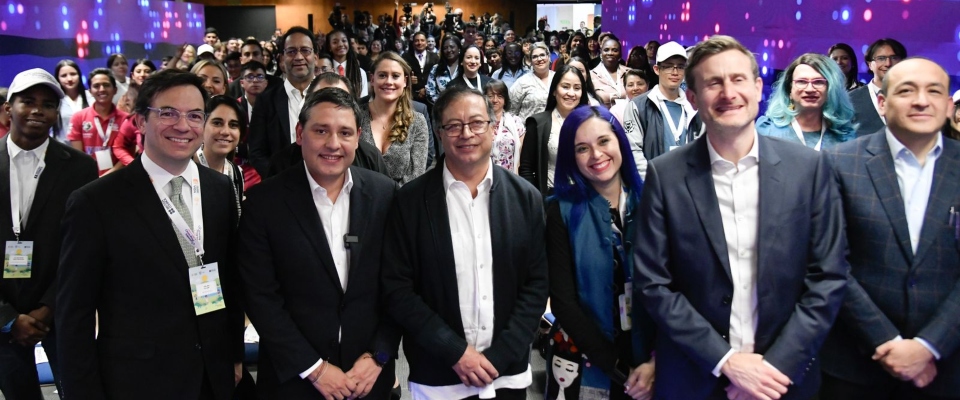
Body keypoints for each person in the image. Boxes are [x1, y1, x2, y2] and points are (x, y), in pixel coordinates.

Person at [634, 35, 848, 400]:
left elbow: (827, 277)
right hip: (694, 377)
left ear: (759, 87)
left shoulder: (808, 169)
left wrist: (775, 367)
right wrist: (727, 362)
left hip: (784, 380)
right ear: (692, 98)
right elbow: (654, 283)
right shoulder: (665, 174)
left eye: (737, 79)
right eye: (713, 83)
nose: (727, 92)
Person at [57, 69, 245, 400]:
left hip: (213, 374)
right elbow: (75, 315)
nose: (183, 126)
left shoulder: (219, 189)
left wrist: (233, 354)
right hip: (139, 380)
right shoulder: (96, 202)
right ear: (141, 122)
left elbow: (228, 279)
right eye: (168, 113)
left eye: (195, 115)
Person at [381, 85, 548, 400]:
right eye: (453, 126)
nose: (466, 133)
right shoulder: (410, 202)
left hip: (506, 375)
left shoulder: (525, 198)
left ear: (493, 127)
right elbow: (397, 288)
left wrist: (499, 356)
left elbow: (536, 284)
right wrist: (455, 351)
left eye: (476, 123)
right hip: (439, 375)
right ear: (439, 132)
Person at [239, 87, 399, 399]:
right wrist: (314, 368)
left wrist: (379, 354)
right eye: (321, 131)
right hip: (295, 381)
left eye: (345, 133)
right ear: (300, 133)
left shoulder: (386, 195)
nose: (333, 144)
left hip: (367, 377)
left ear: (358, 137)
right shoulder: (264, 203)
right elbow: (260, 296)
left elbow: (399, 284)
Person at [820, 58, 960, 400]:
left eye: (934, 91)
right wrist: (887, 342)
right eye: (907, 90)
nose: (921, 100)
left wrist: (929, 346)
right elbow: (827, 262)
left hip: (946, 365)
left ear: (947, 104)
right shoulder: (838, 163)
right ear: (881, 102)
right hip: (855, 364)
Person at [0, 68, 97, 400]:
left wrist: (49, 306)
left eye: (48, 104)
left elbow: (83, 247)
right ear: (7, 109)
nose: (38, 111)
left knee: (80, 391)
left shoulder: (80, 167)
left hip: (63, 308)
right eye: (28, 101)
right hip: (3, 314)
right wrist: (9, 316)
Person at [546, 105, 655, 400]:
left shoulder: (653, 200)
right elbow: (563, 302)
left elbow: (678, 286)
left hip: (652, 359)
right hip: (586, 356)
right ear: (571, 157)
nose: (596, 155)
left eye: (604, 141)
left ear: (619, 140)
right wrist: (617, 367)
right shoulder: (559, 211)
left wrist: (654, 362)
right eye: (582, 148)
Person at [267, 72, 388, 178]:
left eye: (341, 100)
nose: (331, 109)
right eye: (322, 99)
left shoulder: (371, 158)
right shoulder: (281, 163)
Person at [621, 41, 703, 177]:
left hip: (688, 185)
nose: (675, 72)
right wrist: (652, 183)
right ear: (656, 69)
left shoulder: (695, 106)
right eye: (668, 67)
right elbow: (633, 150)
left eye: (680, 67)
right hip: (654, 185)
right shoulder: (639, 106)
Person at [248, 26, 318, 176]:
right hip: (280, 186)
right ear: (281, 59)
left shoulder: (327, 96)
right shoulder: (265, 101)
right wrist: (279, 180)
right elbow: (256, 152)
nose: (299, 57)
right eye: (291, 51)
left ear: (316, 57)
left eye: (305, 50)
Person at [757, 53, 856, 151]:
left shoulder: (845, 138)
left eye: (818, 82)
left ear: (831, 90)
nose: (810, 89)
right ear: (789, 90)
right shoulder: (766, 131)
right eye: (802, 82)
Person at [519, 65, 588, 195]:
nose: (571, 93)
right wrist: (536, 201)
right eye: (565, 87)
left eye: (577, 88)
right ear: (554, 90)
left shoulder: (590, 123)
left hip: (584, 198)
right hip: (551, 199)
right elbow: (526, 169)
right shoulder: (538, 123)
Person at [361, 53, 429, 184]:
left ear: (405, 81)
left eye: (395, 76)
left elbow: (415, 175)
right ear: (372, 79)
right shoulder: (355, 116)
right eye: (382, 75)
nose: (388, 81)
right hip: (358, 199)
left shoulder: (417, 122)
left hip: (402, 200)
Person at [68, 68, 126, 176]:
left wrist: (105, 178)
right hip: (88, 179)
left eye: (106, 85)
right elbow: (78, 156)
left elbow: (127, 156)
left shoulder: (126, 120)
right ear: (90, 91)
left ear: (115, 90)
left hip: (118, 178)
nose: (102, 89)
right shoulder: (78, 118)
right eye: (96, 86)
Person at [850, 38, 907, 137]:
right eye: (881, 58)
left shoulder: (912, 96)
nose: (888, 63)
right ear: (870, 65)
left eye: (894, 58)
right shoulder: (852, 98)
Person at [197, 95, 245, 198]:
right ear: (202, 126)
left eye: (233, 125)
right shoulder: (184, 167)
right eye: (217, 123)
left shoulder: (237, 173)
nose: (225, 132)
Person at [485, 79, 525, 172]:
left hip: (509, 175)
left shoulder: (516, 122)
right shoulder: (479, 122)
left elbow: (521, 154)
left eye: (500, 96)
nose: (495, 100)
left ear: (505, 100)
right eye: (490, 96)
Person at [509, 42, 555, 123]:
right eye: (535, 57)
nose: (539, 59)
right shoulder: (522, 82)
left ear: (548, 56)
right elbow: (511, 112)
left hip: (555, 130)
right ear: (530, 61)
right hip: (529, 131)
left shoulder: (558, 78)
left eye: (542, 55)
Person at [55, 59, 92, 143]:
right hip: (63, 150)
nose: (69, 79)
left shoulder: (91, 97)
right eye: (64, 76)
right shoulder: (55, 100)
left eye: (73, 74)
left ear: (79, 75)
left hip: (89, 148)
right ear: (58, 78)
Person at [327, 30, 370, 98]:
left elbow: (363, 101)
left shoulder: (359, 72)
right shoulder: (325, 71)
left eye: (344, 41)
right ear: (329, 47)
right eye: (335, 42)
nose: (341, 44)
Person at [403, 31, 440, 105]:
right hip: (412, 97)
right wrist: (409, 80)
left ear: (426, 43)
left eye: (422, 40)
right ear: (413, 43)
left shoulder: (435, 57)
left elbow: (438, 76)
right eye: (416, 41)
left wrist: (426, 89)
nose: (419, 43)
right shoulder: (405, 57)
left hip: (430, 98)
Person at [591, 36, 629, 107]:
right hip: (602, 116)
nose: (610, 53)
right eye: (606, 50)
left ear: (620, 54)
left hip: (627, 116)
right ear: (601, 53)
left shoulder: (629, 72)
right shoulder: (591, 75)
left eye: (615, 50)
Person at [425, 36, 462, 106]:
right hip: (441, 109)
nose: (448, 50)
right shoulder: (436, 69)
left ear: (459, 48)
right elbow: (430, 92)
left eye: (452, 47)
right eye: (445, 48)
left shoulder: (465, 68)